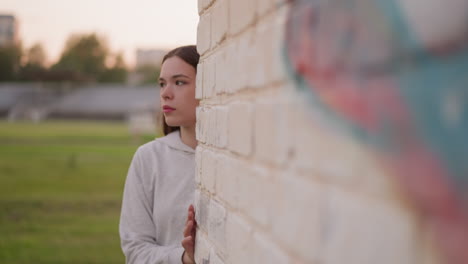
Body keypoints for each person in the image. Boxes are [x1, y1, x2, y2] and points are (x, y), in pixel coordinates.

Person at [120, 45, 199, 264]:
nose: (165, 93)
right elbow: (135, 251)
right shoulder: (148, 158)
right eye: (162, 84)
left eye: (180, 82)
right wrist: (183, 258)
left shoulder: (235, 159)